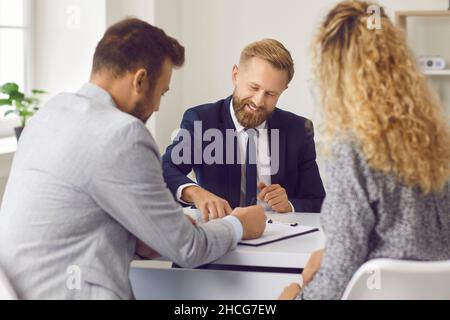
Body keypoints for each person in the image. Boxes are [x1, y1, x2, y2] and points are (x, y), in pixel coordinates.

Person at [0, 18, 266, 300]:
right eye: (161, 92)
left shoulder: (51, 113)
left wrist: (154, 233)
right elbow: (188, 249)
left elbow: (78, 219)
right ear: (140, 80)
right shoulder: (122, 134)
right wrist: (238, 225)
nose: (158, 106)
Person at [279, 0, 450, 300]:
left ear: (334, 70)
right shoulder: (438, 138)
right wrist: (332, 252)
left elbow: (340, 272)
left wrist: (295, 296)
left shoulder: (353, 149)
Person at [162, 39, 325, 220]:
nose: (258, 101)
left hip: (280, 238)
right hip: (223, 235)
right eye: (253, 87)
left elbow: (318, 201)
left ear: (283, 90)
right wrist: (195, 193)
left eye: (271, 94)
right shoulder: (202, 121)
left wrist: (290, 205)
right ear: (235, 75)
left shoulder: (299, 130)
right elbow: (166, 169)